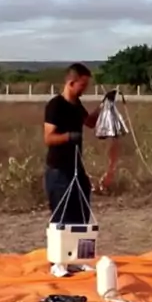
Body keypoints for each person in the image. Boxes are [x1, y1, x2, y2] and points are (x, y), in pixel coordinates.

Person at [43, 63, 101, 227]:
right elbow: (49, 138)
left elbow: (89, 122)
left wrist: (103, 106)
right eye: (82, 85)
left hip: (76, 169)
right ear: (71, 83)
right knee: (63, 220)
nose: (85, 89)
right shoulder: (56, 105)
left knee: (81, 216)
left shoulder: (77, 105)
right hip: (59, 171)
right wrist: (69, 137)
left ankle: (78, 245)